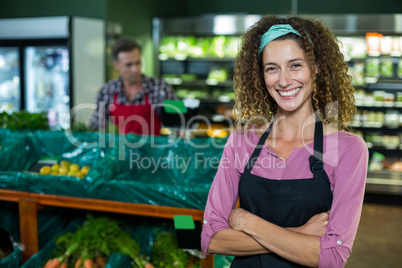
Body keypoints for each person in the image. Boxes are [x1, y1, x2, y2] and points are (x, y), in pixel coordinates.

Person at [201, 15, 368, 267]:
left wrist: (249, 223)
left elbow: (332, 256)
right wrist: (301, 233)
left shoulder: (348, 149)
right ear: (261, 75)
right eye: (272, 68)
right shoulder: (241, 142)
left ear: (317, 67)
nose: (284, 80)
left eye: (295, 65)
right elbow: (211, 239)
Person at [89, 38, 176, 135]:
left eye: (137, 63)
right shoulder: (107, 91)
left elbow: (180, 121)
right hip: (119, 149)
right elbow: (95, 127)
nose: (135, 69)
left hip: (153, 149)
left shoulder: (162, 88)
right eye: (129, 65)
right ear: (116, 65)